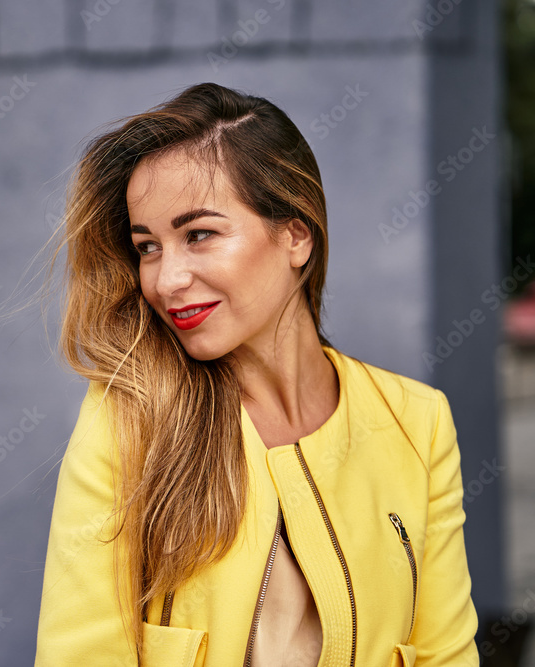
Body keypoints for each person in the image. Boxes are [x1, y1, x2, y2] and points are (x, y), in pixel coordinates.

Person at [34, 83, 480, 666]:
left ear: (295, 235)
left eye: (198, 235)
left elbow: (446, 655)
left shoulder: (417, 423)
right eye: (148, 247)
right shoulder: (129, 421)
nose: (166, 281)